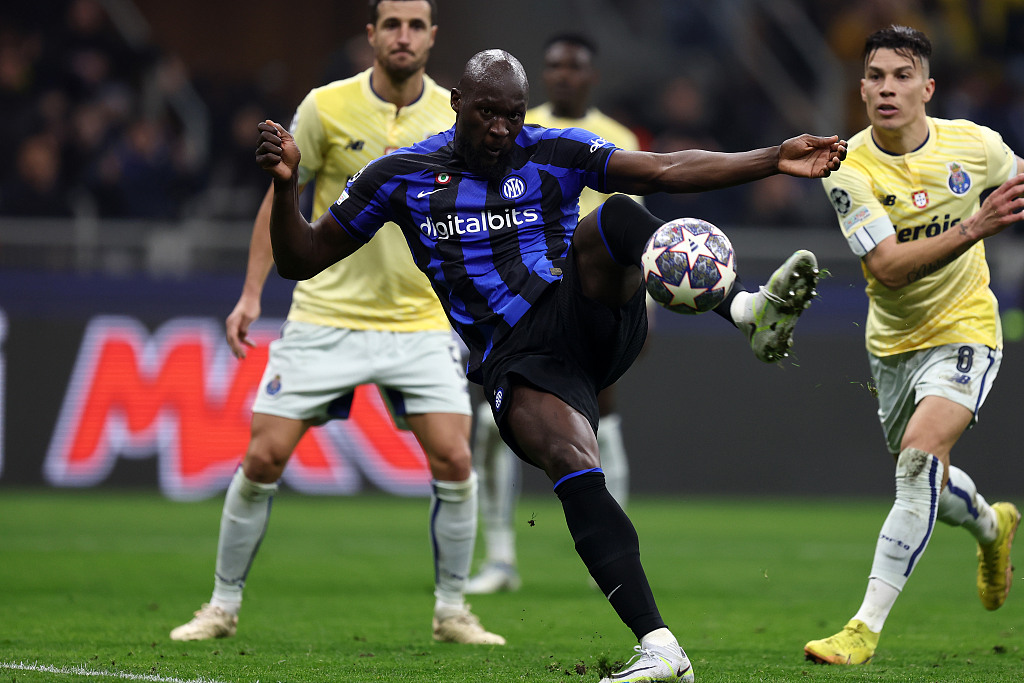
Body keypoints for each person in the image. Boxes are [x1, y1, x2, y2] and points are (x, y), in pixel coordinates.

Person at [257, 48, 846, 683]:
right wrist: (288, 185)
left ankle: (746, 311)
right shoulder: (402, 175)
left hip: (583, 313)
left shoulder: (552, 148)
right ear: (457, 102)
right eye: (488, 113)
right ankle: (662, 648)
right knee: (573, 463)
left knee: (616, 213)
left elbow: (666, 169)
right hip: (518, 360)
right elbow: (303, 258)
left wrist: (770, 159)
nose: (502, 129)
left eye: (513, 114)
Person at [170, 0, 505, 646]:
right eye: (392, 25)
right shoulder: (323, 107)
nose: (403, 36)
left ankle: (453, 611)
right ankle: (221, 604)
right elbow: (282, 203)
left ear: (433, 37)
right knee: (263, 454)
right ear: (371, 34)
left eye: (415, 25)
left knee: (455, 458)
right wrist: (249, 295)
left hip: (419, 319)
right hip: (327, 312)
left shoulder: (456, 117)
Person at [805, 25, 1024, 666]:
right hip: (894, 346)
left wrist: (989, 214)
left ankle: (863, 628)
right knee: (925, 474)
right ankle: (993, 525)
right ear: (862, 86)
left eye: (901, 76)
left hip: (968, 328)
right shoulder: (848, 167)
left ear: (926, 88)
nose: (886, 88)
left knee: (918, 462)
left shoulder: (975, 146)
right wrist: (977, 224)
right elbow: (887, 267)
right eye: (874, 76)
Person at [466, 32, 641, 595]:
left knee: (603, 424)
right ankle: (500, 558)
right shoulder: (514, 127)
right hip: (524, 308)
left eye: (574, 67)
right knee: (492, 425)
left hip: (594, 301)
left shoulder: (616, 137)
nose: (563, 75)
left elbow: (635, 228)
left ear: (591, 76)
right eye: (554, 66)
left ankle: (612, 541)